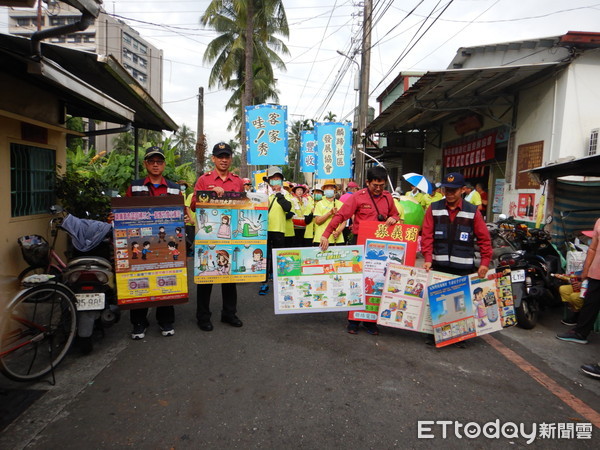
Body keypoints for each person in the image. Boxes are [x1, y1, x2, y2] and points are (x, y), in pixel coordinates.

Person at [320, 166, 400, 335]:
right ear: (367, 182)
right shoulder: (358, 197)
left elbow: (395, 214)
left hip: (379, 247)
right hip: (360, 244)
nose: (378, 189)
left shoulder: (387, 198)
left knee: (376, 282)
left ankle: (370, 321)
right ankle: (353, 320)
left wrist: (394, 218)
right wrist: (326, 234)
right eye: (375, 185)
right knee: (357, 280)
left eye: (382, 185)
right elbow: (341, 215)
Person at [421, 172, 493, 345]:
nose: (450, 193)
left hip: (463, 266)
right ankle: (436, 335)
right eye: (447, 189)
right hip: (439, 264)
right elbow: (427, 235)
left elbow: (484, 239)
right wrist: (428, 258)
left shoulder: (472, 211)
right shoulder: (434, 207)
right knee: (439, 301)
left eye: (454, 190)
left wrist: (484, 263)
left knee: (460, 302)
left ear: (463, 190)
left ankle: (459, 337)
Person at [125, 146, 184, 340]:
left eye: (159, 161)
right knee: (140, 280)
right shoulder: (134, 187)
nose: (156, 165)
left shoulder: (174, 187)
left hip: (167, 241)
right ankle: (139, 323)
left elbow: (180, 212)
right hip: (140, 241)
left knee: (166, 278)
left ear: (164, 164)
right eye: (152, 161)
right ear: (146, 164)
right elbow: (124, 211)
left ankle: (166, 321)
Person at [192, 142, 244, 331]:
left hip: (230, 237)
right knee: (206, 276)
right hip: (207, 236)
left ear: (231, 158)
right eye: (220, 156)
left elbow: (245, 206)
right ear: (213, 158)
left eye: (227, 156)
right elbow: (193, 205)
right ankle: (203, 317)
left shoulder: (238, 181)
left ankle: (229, 314)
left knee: (229, 276)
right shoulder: (204, 180)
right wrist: (208, 194)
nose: (223, 159)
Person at [557, 217, 600, 344]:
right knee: (590, 304)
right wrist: (586, 270)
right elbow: (592, 248)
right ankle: (580, 333)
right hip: (596, 273)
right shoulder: (599, 221)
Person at [258, 166, 292, 295]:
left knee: (279, 257)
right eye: (273, 179)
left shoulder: (285, 193)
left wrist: (279, 194)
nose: (276, 181)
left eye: (278, 179)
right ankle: (264, 282)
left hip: (279, 229)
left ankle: (280, 283)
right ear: (268, 180)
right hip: (264, 230)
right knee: (264, 258)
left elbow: (288, 208)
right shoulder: (261, 193)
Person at [313, 180, 345, 246]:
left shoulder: (340, 204)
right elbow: (318, 221)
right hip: (321, 238)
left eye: (331, 188)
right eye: (327, 188)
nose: (329, 190)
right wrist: (329, 213)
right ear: (324, 191)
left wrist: (338, 232)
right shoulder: (319, 204)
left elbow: (344, 222)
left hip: (337, 239)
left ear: (335, 190)